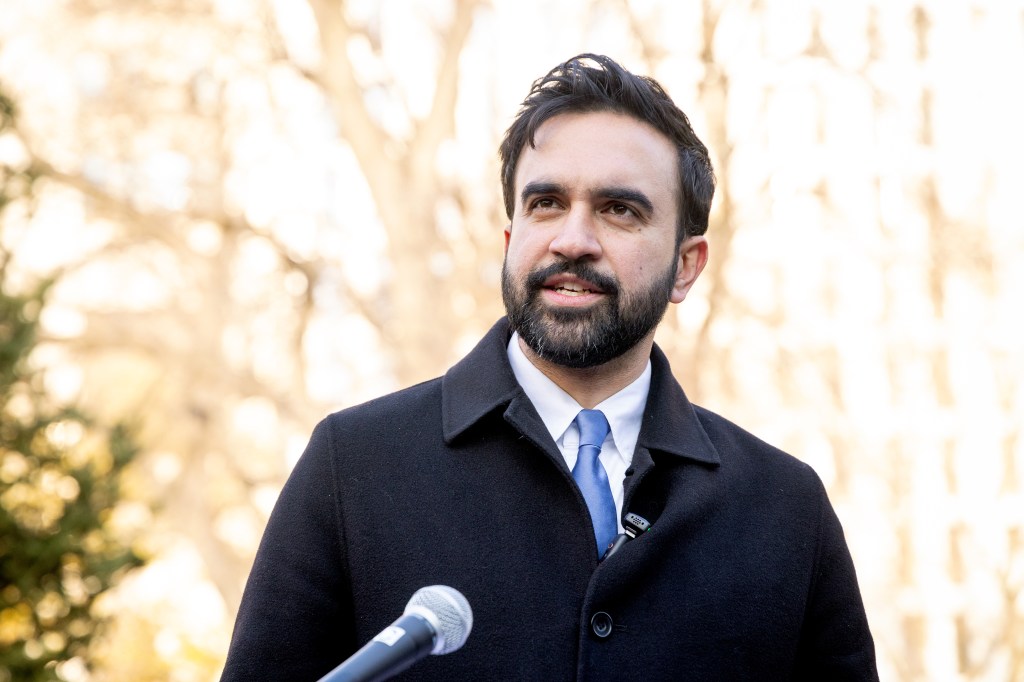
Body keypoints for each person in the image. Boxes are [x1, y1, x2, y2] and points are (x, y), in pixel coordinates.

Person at [221, 54, 878, 681]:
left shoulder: (786, 509)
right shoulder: (353, 467)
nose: (572, 239)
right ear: (511, 241)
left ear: (687, 265)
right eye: (546, 204)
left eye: (620, 209)